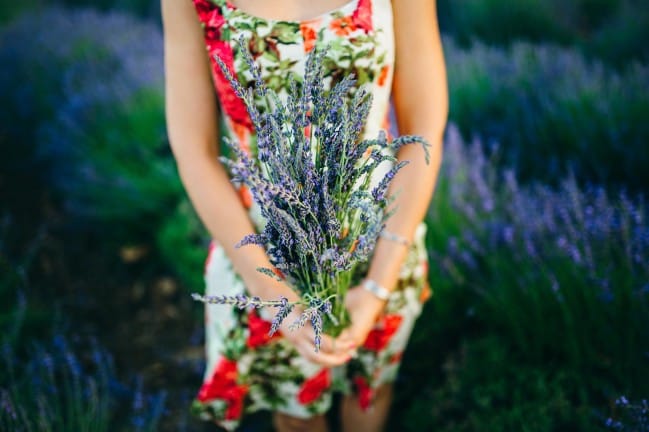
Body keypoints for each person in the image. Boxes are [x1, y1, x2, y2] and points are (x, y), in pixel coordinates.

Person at [161, 0, 447, 430]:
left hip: (382, 240)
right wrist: (272, 291)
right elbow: (194, 151)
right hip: (263, 255)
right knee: (297, 416)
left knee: (370, 392)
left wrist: (376, 285)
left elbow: (422, 127)